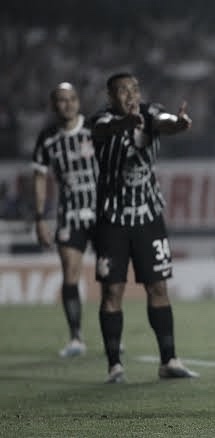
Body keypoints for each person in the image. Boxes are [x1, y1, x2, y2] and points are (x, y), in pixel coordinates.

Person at [90, 72, 198, 383]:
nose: (130, 95)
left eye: (134, 89)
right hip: (112, 220)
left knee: (159, 287)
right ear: (111, 97)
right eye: (122, 91)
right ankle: (114, 366)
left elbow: (164, 120)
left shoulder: (150, 113)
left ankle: (169, 361)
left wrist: (178, 123)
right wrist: (126, 124)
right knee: (112, 290)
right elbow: (105, 128)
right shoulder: (100, 120)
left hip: (149, 217)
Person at [32, 82, 98, 357]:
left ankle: (112, 334)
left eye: (71, 99)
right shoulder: (47, 138)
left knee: (110, 276)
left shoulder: (95, 131)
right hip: (69, 214)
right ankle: (76, 338)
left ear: (78, 102)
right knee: (70, 272)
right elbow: (39, 178)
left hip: (101, 212)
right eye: (61, 100)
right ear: (53, 105)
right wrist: (39, 218)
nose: (67, 104)